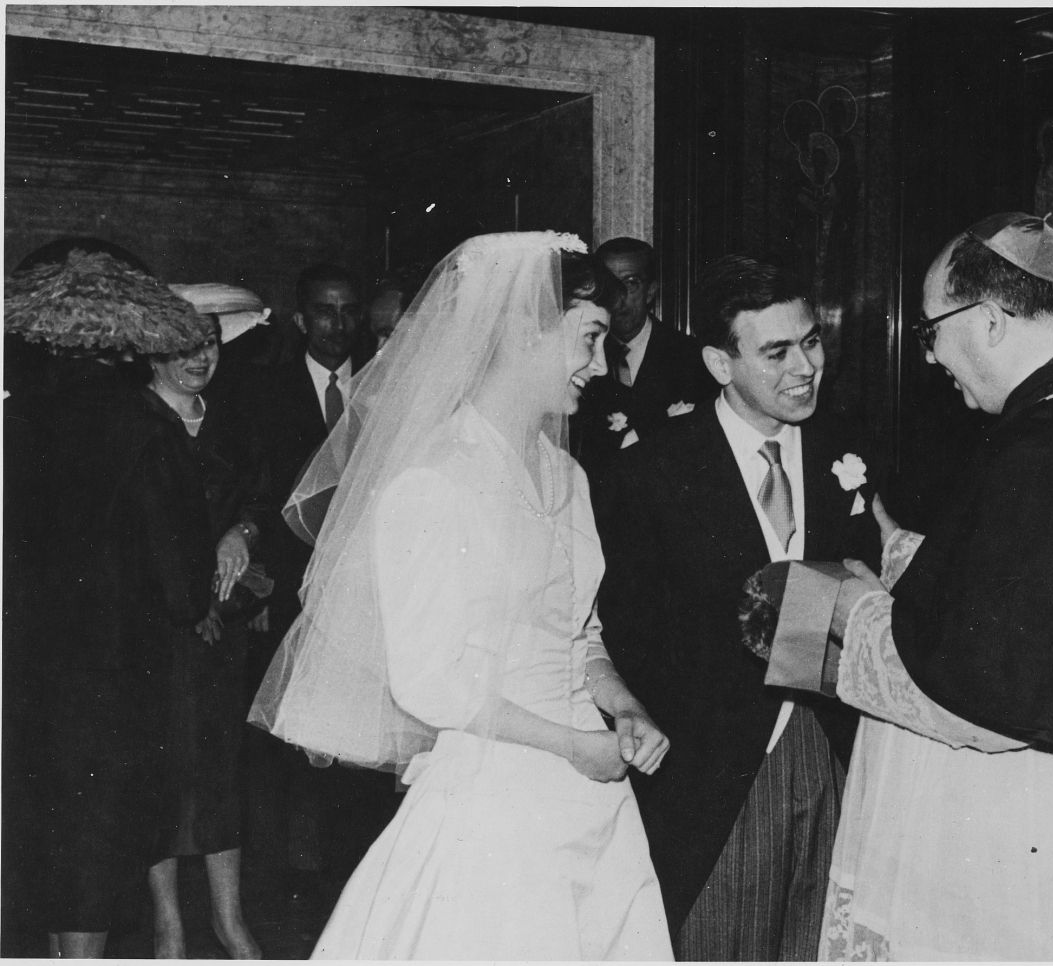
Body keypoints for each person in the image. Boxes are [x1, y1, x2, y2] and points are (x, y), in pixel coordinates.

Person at [763, 212, 1053, 961]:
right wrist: (903, 552)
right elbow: (1024, 593)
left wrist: (839, 612)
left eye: (931, 332)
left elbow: (990, 684)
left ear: (986, 321)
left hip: (1036, 805)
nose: (932, 357)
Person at [248, 232, 673, 960]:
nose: (600, 367)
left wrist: (625, 707)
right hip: (494, 793)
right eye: (590, 337)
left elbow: (579, 633)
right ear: (522, 328)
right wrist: (575, 745)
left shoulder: (568, 476)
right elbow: (430, 683)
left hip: (591, 791)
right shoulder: (433, 481)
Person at [597, 255, 881, 959]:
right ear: (720, 365)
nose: (805, 367)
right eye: (776, 351)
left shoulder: (844, 451)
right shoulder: (652, 472)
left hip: (833, 756)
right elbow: (629, 635)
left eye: (811, 341)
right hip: (715, 777)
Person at [6, 246, 217, 958]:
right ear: (133, 337)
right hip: (114, 684)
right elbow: (185, 591)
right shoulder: (148, 431)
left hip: (23, 676)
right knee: (95, 848)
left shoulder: (16, 423)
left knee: (46, 846)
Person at [237, 262, 385, 886]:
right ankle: (282, 870)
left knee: (353, 730)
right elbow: (253, 488)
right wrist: (262, 584)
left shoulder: (386, 385)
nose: (338, 323)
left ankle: (346, 870)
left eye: (349, 310)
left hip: (366, 589)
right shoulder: (263, 388)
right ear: (300, 319)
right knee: (286, 730)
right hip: (287, 588)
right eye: (325, 310)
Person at [139, 286, 271, 959]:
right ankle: (169, 925)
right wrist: (187, 604)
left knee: (219, 774)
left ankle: (230, 921)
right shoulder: (131, 424)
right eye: (183, 344)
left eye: (211, 344)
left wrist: (241, 531)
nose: (200, 358)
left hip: (224, 625)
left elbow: (257, 496)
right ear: (149, 348)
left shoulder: (229, 418)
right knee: (158, 774)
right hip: (153, 633)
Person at [571, 236, 718, 488]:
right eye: (609, 284)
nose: (618, 297)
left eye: (631, 283)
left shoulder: (693, 358)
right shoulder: (580, 359)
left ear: (651, 291)